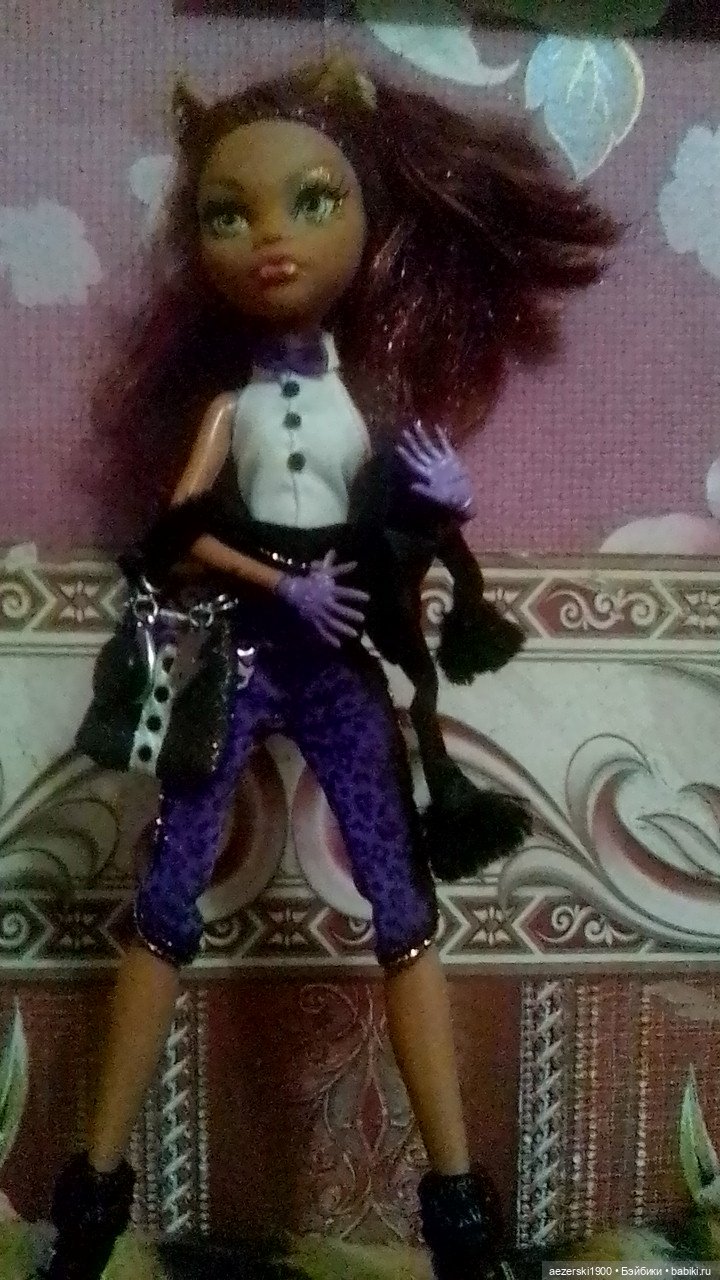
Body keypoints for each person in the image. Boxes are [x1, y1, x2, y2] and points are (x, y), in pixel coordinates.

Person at [44, 54, 617, 1280]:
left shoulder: (366, 403)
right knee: (167, 892)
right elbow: (175, 532)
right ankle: (90, 1196)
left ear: (367, 213)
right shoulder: (228, 412)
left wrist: (446, 498)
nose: (271, 237)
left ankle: (457, 1209)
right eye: (229, 212)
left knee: (403, 907)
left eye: (312, 201)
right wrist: (277, 581)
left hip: (337, 666)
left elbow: (399, 529)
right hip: (243, 658)